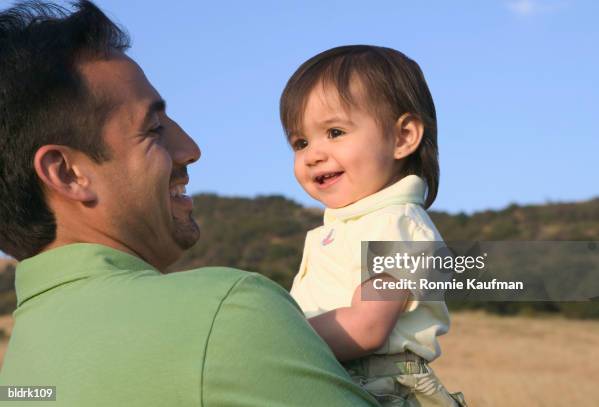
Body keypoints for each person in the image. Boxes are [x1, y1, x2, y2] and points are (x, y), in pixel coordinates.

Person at [0, 2, 380, 406]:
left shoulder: (21, 371)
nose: (190, 149)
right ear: (67, 172)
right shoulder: (228, 312)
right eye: (154, 129)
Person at [281, 45, 467, 406]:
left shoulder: (397, 225)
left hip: (377, 387)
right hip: (335, 375)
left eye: (334, 132)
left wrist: (276, 336)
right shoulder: (347, 225)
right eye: (300, 142)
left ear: (403, 137)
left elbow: (367, 326)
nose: (312, 154)